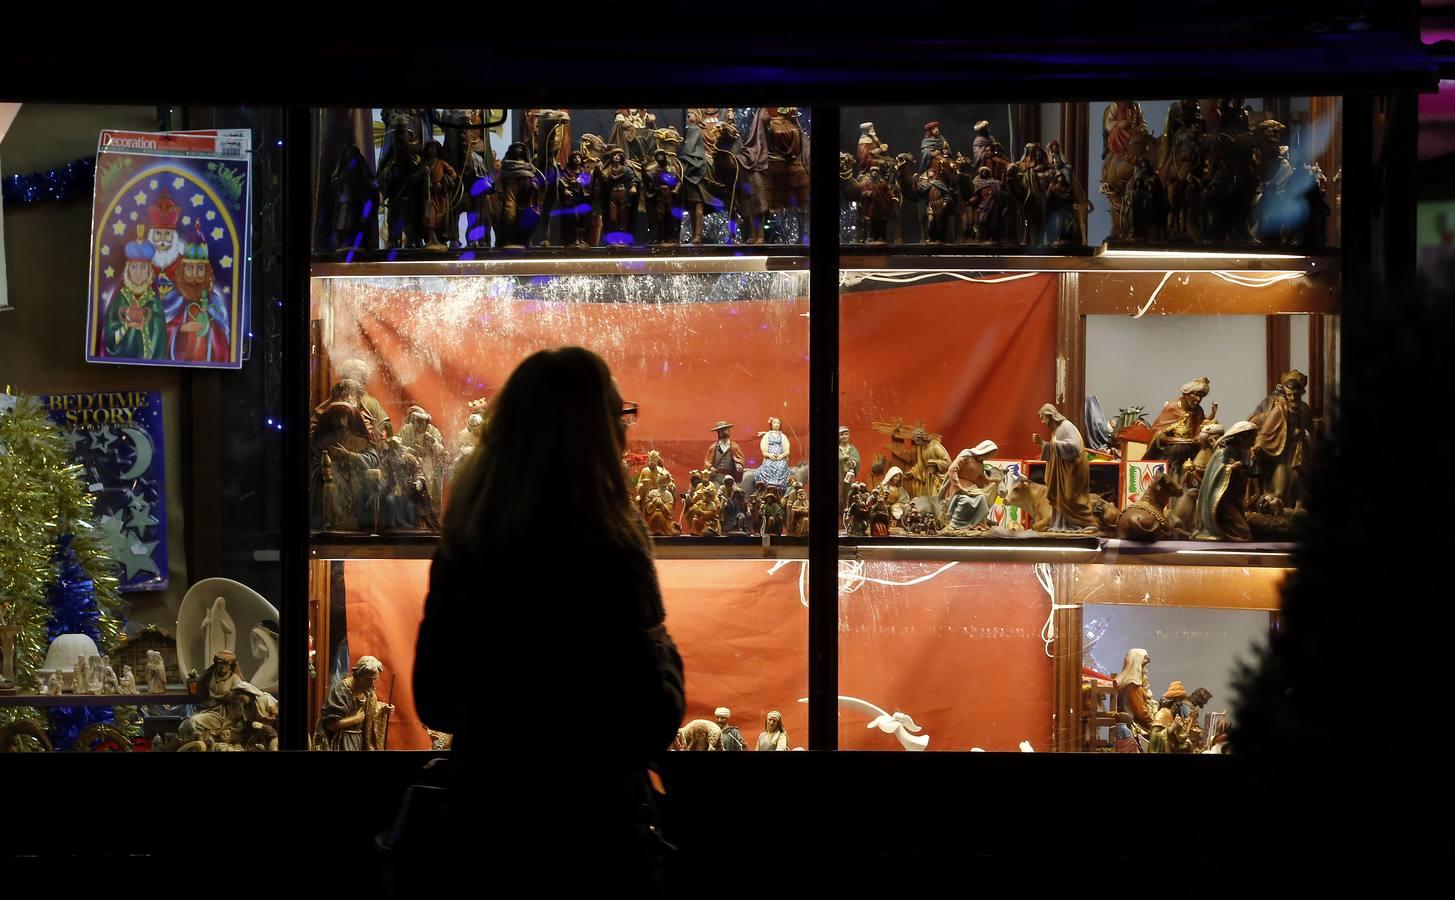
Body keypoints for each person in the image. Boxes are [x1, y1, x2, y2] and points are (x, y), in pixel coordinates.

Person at [415, 347, 684, 891]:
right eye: (619, 416)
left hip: (485, 834)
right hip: (598, 837)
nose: (627, 433)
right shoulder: (613, 551)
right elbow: (654, 712)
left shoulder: (469, 543)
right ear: (595, 433)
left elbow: (434, 697)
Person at [1033, 403, 1097, 531]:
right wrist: (1043, 444)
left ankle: (1087, 523)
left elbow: (1074, 446)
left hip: (1073, 470)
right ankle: (1060, 525)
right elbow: (1053, 451)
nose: (1042, 421)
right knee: (1060, 496)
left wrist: (1054, 444)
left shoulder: (1066, 426)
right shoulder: (1056, 430)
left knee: (1070, 498)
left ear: (1051, 416)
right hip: (1064, 471)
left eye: (1043, 418)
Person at [319, 656, 393, 751]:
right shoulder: (341, 691)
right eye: (368, 680)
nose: (372, 684)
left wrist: (383, 709)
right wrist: (355, 719)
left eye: (375, 679)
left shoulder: (367, 690)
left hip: (360, 741)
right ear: (357, 676)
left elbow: (371, 709)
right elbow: (331, 724)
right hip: (343, 741)